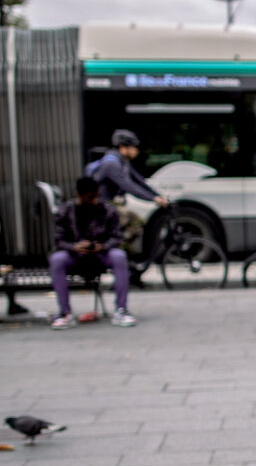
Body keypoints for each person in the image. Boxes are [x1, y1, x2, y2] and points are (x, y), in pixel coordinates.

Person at [49, 175, 134, 328]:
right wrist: (74, 246)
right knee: (57, 259)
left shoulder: (107, 209)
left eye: (95, 196)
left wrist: (102, 246)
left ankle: (121, 310)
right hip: (75, 255)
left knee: (120, 256)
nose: (93, 200)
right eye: (89, 197)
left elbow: (117, 237)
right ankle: (65, 312)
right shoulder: (66, 210)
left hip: (101, 254)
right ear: (79, 195)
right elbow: (58, 240)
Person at [89, 129, 168, 251]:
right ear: (123, 147)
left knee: (136, 222)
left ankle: (120, 251)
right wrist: (153, 199)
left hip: (109, 204)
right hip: (100, 206)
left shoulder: (123, 162)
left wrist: (158, 195)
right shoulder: (111, 164)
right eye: (134, 147)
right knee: (135, 223)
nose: (136, 150)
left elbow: (139, 181)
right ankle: (115, 251)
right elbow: (128, 186)